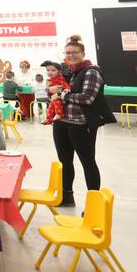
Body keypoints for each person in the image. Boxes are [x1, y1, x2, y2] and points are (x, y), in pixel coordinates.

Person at [53, 35, 115, 206]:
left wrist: (63, 94)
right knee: (65, 162)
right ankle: (67, 196)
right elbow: (52, 90)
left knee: (88, 163)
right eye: (67, 53)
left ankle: (94, 203)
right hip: (62, 123)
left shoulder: (92, 71)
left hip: (81, 125)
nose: (71, 55)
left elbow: (87, 98)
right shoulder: (68, 71)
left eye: (75, 52)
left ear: (83, 52)